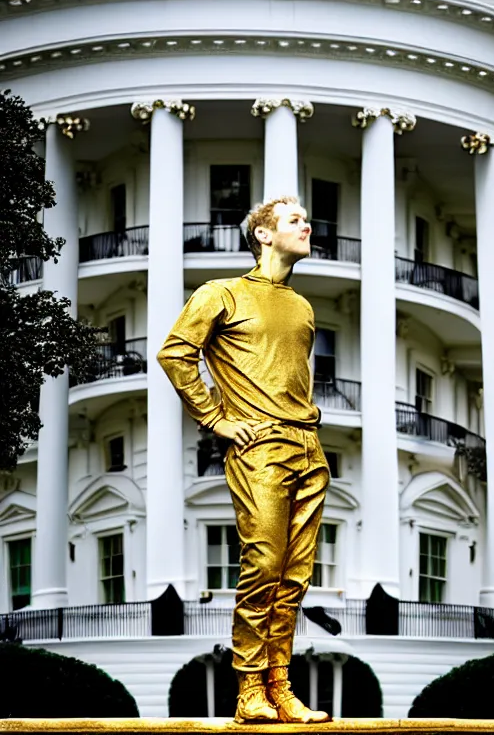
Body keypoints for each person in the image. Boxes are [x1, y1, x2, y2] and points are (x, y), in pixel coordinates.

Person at [158, 196, 331, 724]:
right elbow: (175, 352)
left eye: (306, 217)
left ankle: (280, 689)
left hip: (309, 445)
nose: (307, 224)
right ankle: (249, 689)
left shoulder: (302, 306)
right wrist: (215, 419)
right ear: (263, 235)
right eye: (294, 220)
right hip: (260, 448)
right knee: (262, 566)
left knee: (295, 576)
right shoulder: (222, 294)